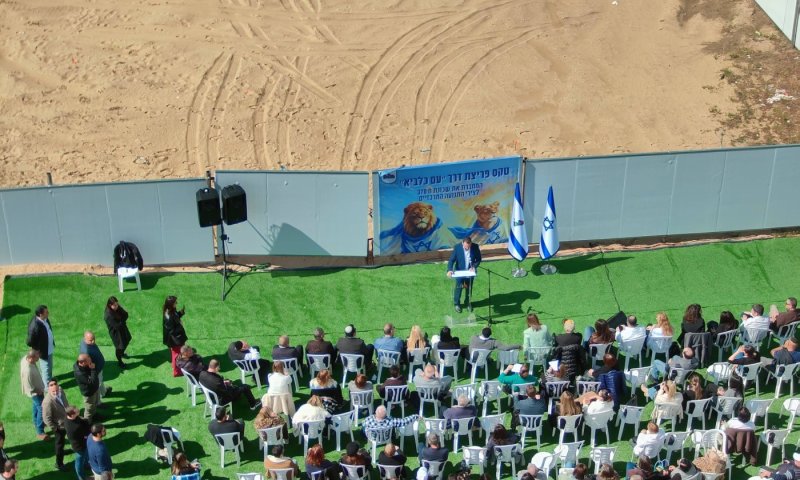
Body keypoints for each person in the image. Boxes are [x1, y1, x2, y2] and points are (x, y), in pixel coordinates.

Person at [447, 237, 481, 313]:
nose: (467, 248)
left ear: (471, 244)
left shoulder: (475, 247)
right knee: (458, 287)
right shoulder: (457, 248)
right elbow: (451, 260)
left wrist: (473, 267)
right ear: (463, 243)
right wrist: (449, 270)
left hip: (470, 272)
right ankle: (457, 304)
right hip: (459, 272)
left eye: (468, 247)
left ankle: (468, 303)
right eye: (466, 246)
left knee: (469, 288)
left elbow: (478, 259)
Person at [42, 378, 69, 472]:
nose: (56, 392)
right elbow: (46, 418)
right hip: (59, 427)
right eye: (53, 391)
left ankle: (63, 452)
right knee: (59, 444)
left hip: (67, 421)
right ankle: (59, 463)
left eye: (56, 389)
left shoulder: (61, 390)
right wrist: (55, 428)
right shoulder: (47, 402)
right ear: (48, 389)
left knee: (64, 441)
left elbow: (65, 403)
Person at [19, 349, 47, 440]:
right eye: (37, 358)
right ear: (31, 358)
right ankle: (40, 431)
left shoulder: (25, 359)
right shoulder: (27, 370)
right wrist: (37, 390)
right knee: (41, 409)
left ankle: (36, 422)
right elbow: (28, 386)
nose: (38, 359)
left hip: (36, 391)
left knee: (36, 406)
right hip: (35, 392)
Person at [27, 305, 56, 384]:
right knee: (46, 369)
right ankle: (47, 388)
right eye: (46, 312)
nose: (48, 313)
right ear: (41, 314)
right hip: (43, 352)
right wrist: (38, 349)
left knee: (49, 367)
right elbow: (29, 342)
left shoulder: (45, 319)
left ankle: (49, 379)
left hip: (49, 349)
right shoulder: (35, 326)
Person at [103, 297, 131, 369]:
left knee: (127, 339)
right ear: (110, 305)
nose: (117, 306)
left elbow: (126, 314)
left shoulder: (116, 307)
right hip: (116, 334)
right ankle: (120, 361)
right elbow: (117, 326)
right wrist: (122, 320)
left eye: (117, 304)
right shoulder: (108, 315)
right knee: (119, 347)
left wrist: (121, 320)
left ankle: (122, 354)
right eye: (114, 305)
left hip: (122, 328)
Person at [162, 296, 187, 377]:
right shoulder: (168, 315)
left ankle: (174, 366)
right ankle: (176, 372)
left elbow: (175, 317)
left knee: (175, 354)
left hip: (176, 338)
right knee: (176, 355)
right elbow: (171, 330)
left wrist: (180, 313)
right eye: (175, 302)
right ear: (171, 304)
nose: (177, 303)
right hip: (175, 339)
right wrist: (180, 326)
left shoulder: (171, 311)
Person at [80, 331, 110, 398]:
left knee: (100, 381)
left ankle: (103, 392)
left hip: (98, 369)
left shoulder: (84, 341)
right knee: (98, 384)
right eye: (91, 340)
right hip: (96, 371)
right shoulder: (86, 352)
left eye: (94, 339)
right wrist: (94, 372)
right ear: (85, 339)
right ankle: (98, 402)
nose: (93, 342)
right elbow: (87, 365)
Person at [74, 353, 101, 423]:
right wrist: (92, 369)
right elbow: (92, 382)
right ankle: (87, 423)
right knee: (89, 410)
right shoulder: (80, 374)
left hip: (94, 389)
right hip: (89, 393)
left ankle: (94, 415)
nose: (91, 361)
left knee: (94, 404)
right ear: (82, 363)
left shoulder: (82, 364)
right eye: (89, 361)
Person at [65, 406, 90, 480]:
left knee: (85, 455)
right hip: (79, 446)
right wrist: (86, 436)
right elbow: (83, 434)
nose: (79, 413)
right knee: (79, 461)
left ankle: (86, 465)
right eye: (77, 412)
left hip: (82, 443)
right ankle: (82, 477)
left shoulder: (67, 417)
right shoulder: (74, 427)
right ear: (72, 415)